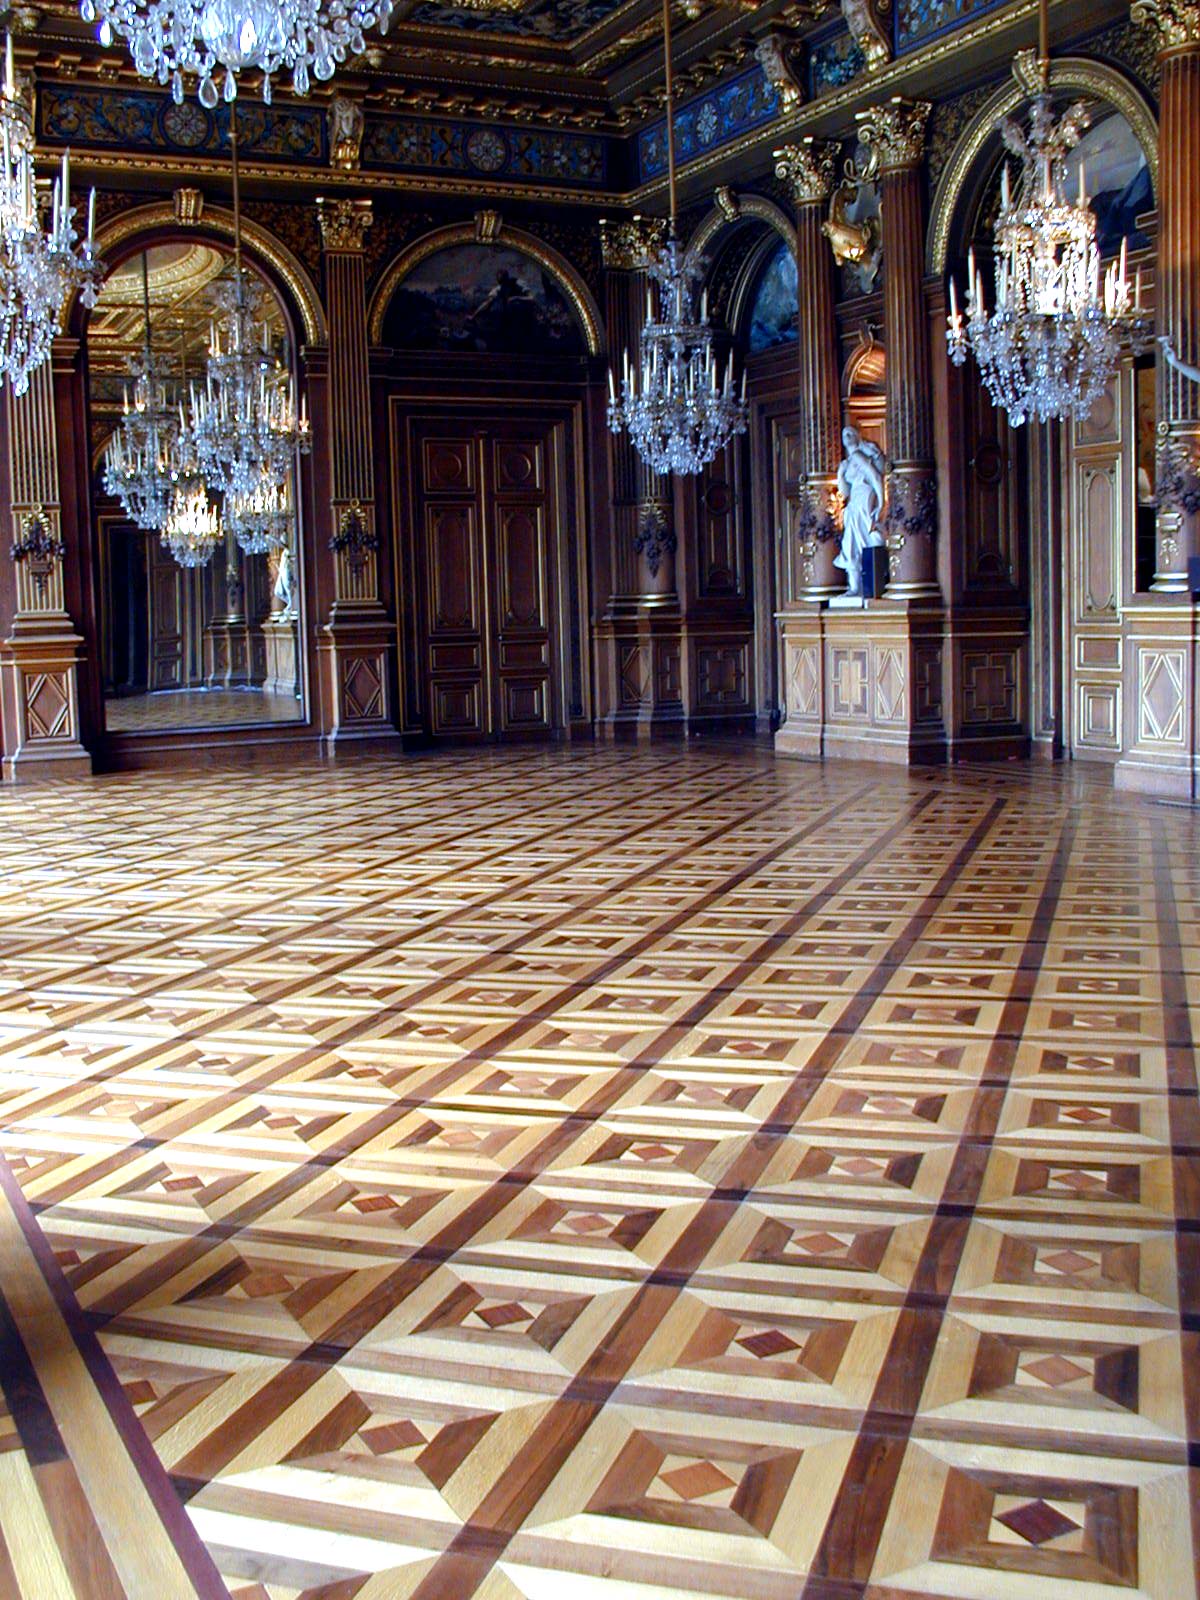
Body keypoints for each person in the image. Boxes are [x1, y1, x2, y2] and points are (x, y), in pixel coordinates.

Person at [833, 424, 886, 596]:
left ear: (858, 436)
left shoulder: (858, 456)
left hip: (864, 497)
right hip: (854, 500)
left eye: (850, 433)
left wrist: (881, 502)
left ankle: (861, 586)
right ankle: (856, 587)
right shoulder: (848, 462)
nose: (846, 436)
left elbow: (875, 477)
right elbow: (845, 492)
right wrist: (840, 475)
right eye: (844, 434)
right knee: (850, 542)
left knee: (861, 540)